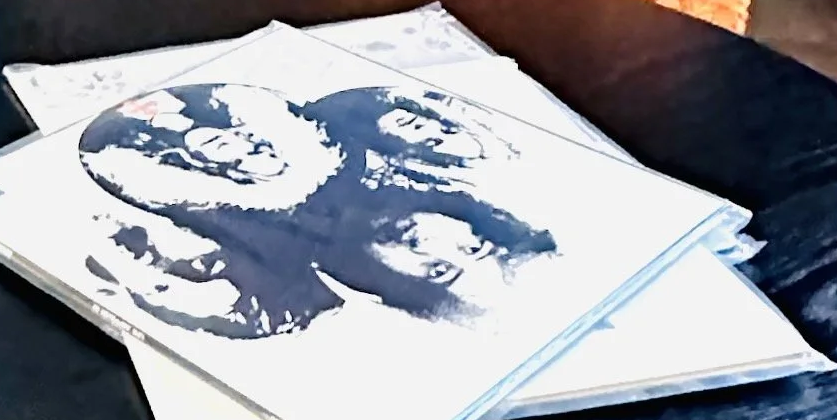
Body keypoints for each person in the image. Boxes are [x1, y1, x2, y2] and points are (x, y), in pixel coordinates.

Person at [77, 74, 557, 340]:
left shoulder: (269, 285)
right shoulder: (391, 162)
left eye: (437, 271)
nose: (435, 243)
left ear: (397, 289)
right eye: (472, 244)